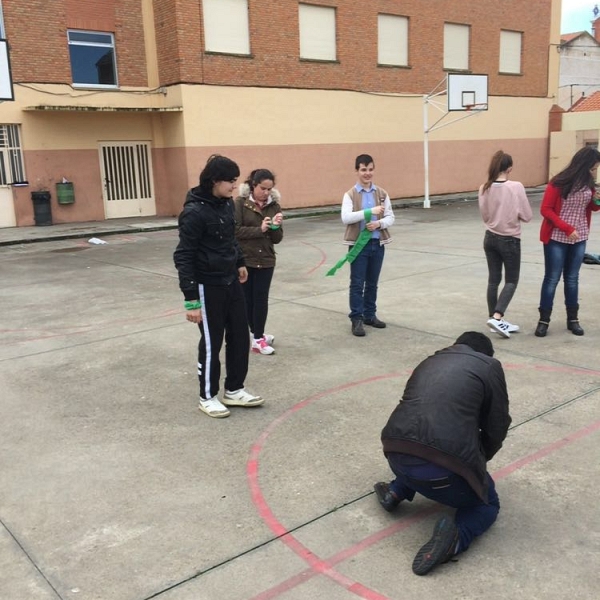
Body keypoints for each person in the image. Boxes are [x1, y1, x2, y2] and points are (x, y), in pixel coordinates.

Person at [374, 332, 511, 576]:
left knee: (421, 442)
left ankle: (396, 491)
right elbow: (497, 426)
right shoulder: (489, 366)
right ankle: (456, 539)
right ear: (486, 354)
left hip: (394, 449)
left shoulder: (430, 360)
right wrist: (479, 463)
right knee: (488, 504)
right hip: (442, 468)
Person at [173, 155, 263, 418]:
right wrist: (191, 300)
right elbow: (184, 256)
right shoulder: (193, 213)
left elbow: (229, 239)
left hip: (230, 280)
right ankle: (207, 396)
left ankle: (234, 390)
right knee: (213, 342)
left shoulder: (225, 205)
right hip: (206, 285)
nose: (234, 187)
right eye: (230, 182)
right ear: (215, 180)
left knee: (239, 335)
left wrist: (240, 262)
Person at [535, 146, 600, 337]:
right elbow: (546, 210)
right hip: (557, 237)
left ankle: (573, 320)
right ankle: (543, 320)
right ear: (584, 165)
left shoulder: (589, 184)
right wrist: (567, 228)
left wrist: (596, 201)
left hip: (579, 237)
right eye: (593, 167)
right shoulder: (558, 182)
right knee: (552, 279)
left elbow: (592, 208)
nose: (595, 171)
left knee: (572, 279)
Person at [478, 150, 532, 338]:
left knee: (493, 280)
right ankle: (497, 316)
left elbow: (484, 214)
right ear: (509, 168)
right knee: (511, 280)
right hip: (509, 238)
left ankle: (494, 320)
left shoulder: (484, 187)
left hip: (490, 237)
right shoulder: (515, 187)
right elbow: (527, 215)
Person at [341, 154, 395, 337]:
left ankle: (370, 315)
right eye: (363, 169)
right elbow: (346, 218)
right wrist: (368, 212)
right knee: (357, 283)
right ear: (357, 171)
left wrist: (379, 224)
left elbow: (390, 217)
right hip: (358, 245)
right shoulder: (350, 195)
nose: (367, 173)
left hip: (376, 243)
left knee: (372, 283)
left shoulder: (381, 193)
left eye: (370, 169)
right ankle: (356, 318)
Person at [234, 169, 283, 355]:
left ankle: (258, 335)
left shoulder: (274, 205)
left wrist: (276, 227)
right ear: (253, 185)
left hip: (266, 259)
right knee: (248, 299)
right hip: (245, 259)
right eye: (263, 188)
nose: (266, 193)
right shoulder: (240, 203)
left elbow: (277, 239)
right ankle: (256, 336)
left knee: (261, 299)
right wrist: (260, 229)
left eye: (270, 189)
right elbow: (235, 231)